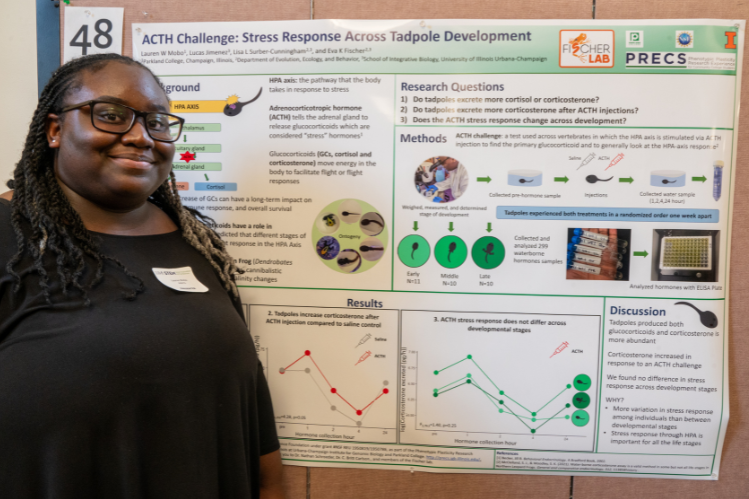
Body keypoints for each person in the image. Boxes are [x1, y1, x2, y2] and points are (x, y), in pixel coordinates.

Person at [0, 54, 285, 498]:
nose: (140, 137)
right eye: (111, 115)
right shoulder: (9, 236)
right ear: (55, 130)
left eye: (156, 122)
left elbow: (253, 412)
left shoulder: (197, 244)